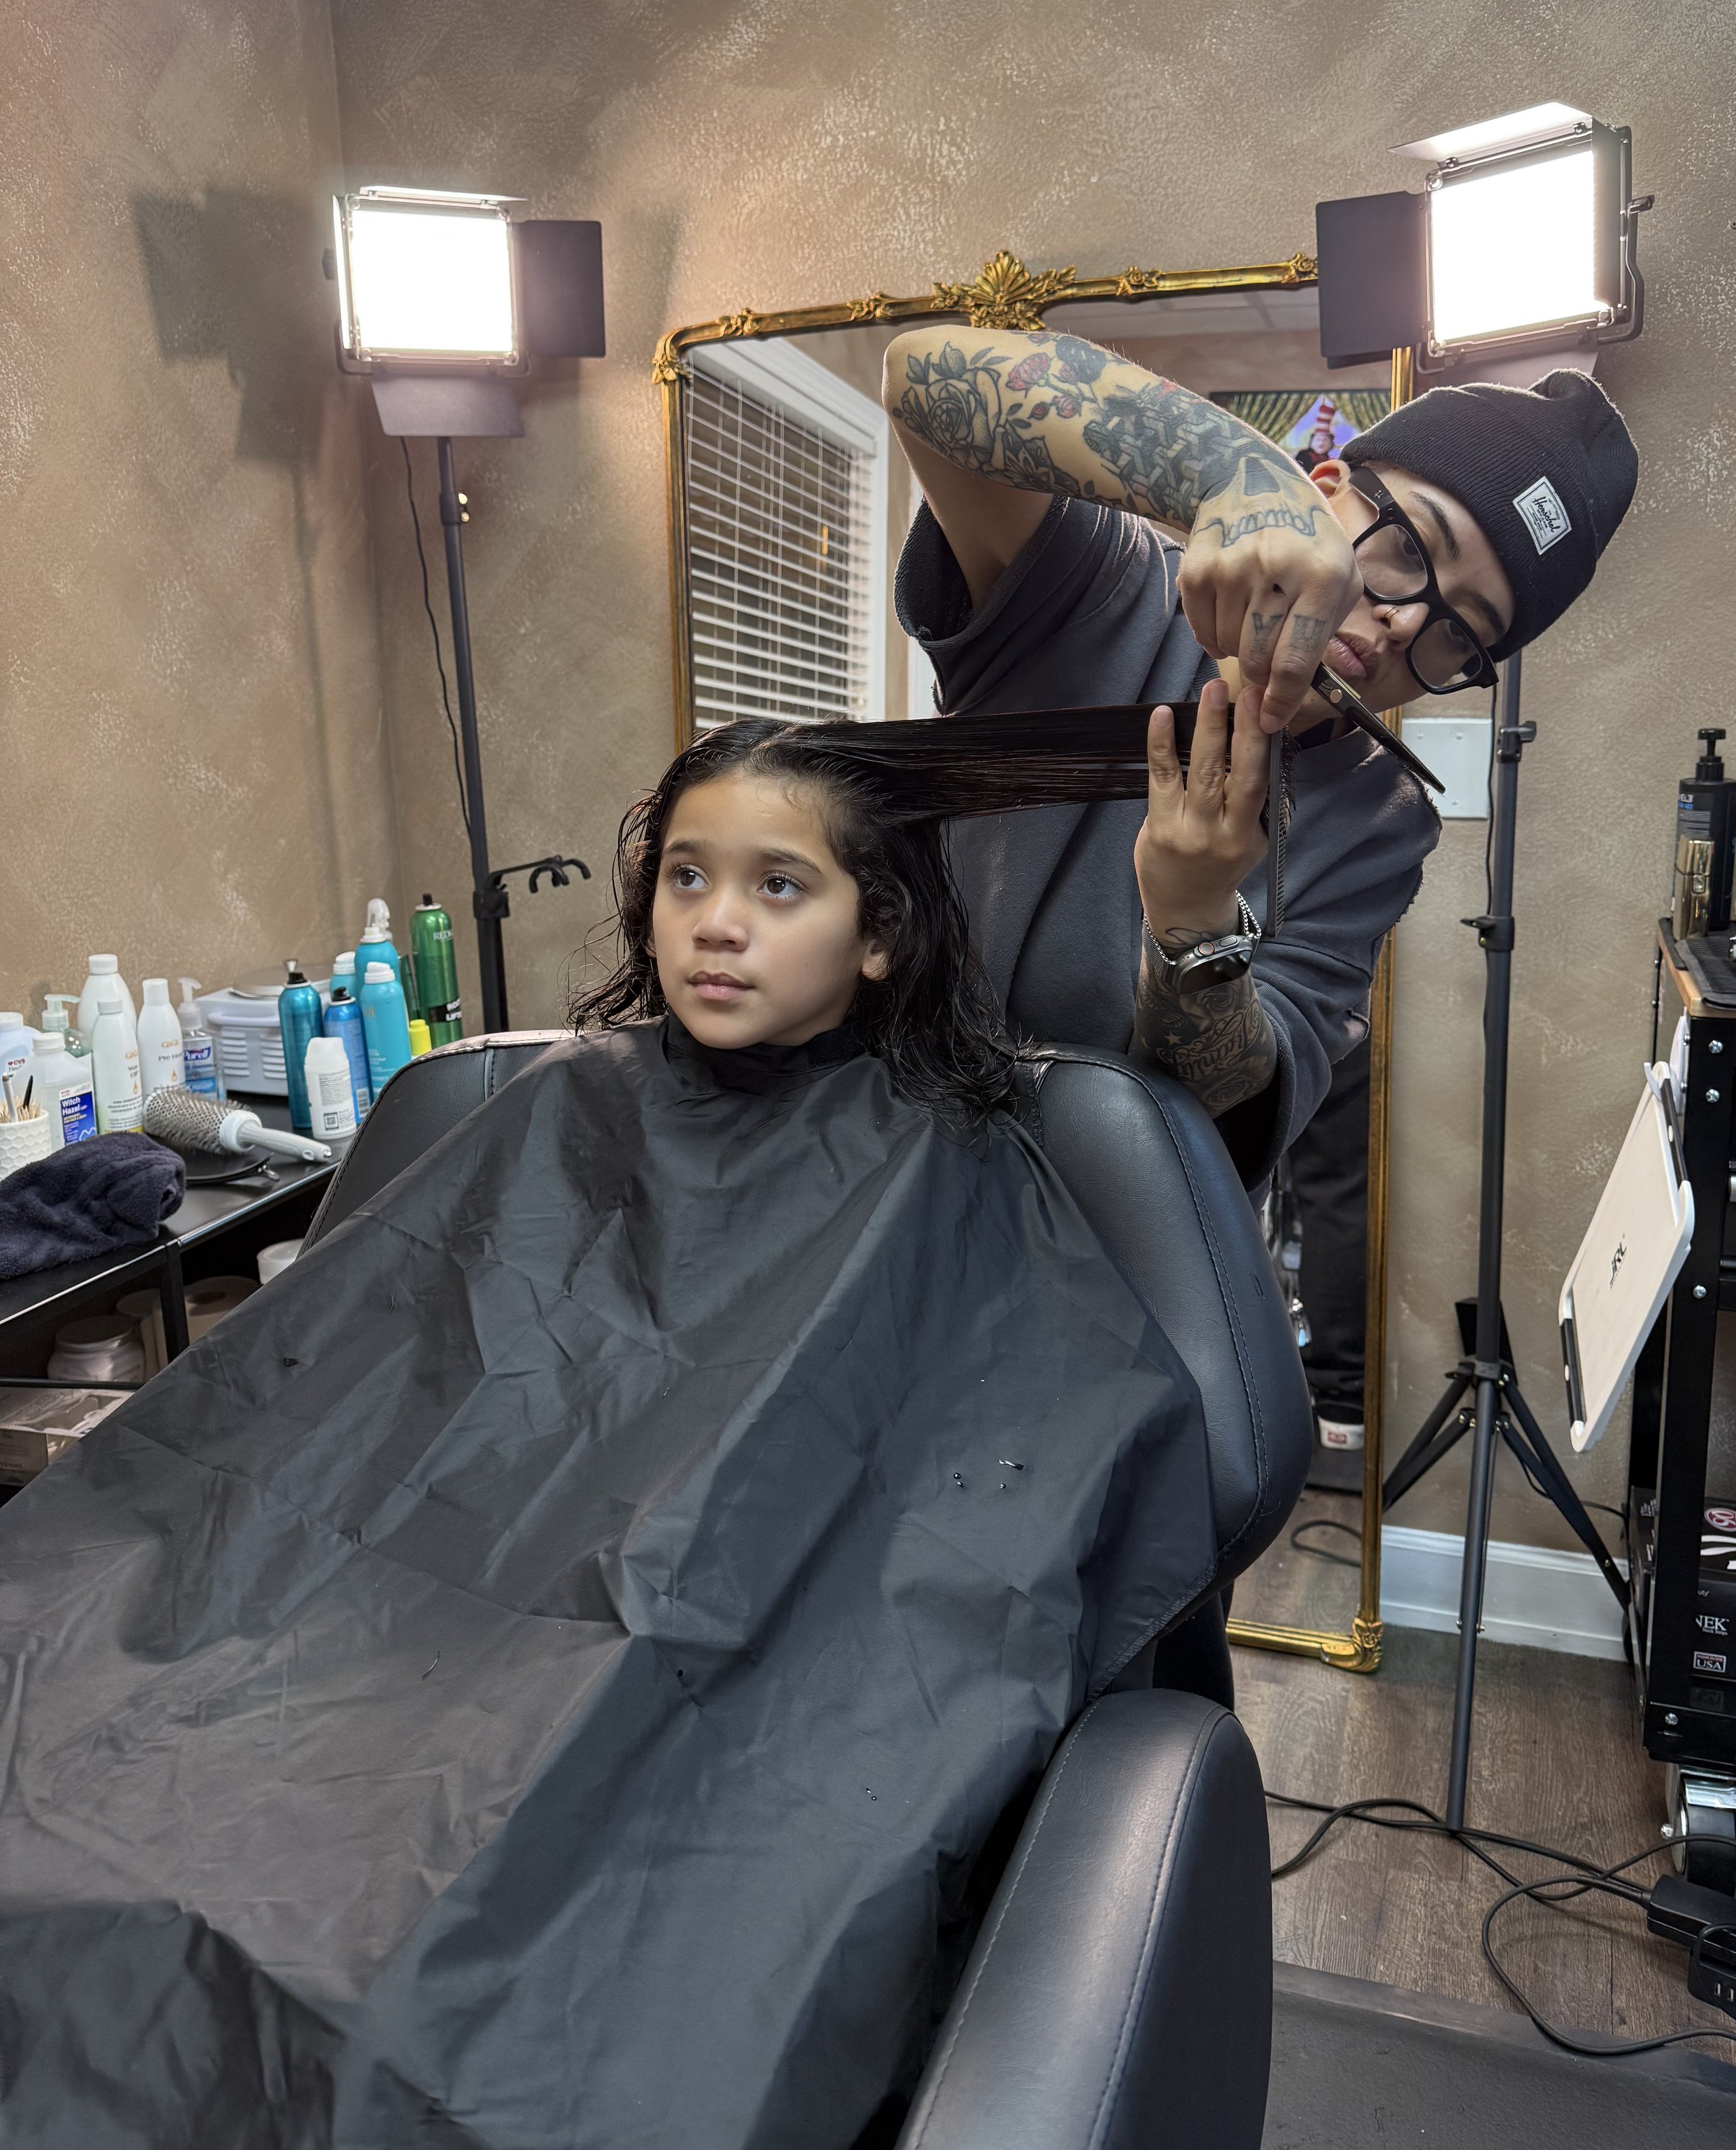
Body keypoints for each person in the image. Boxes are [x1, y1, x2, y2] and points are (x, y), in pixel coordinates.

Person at [0, 711, 1229, 2150]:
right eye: (685, 876)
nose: (715, 922)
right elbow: (301, 1436)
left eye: (779, 886)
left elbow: (972, 1531)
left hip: (732, 1706)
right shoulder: (547, 1109)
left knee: (465, 2020)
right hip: (372, 1661)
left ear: (879, 931)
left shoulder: (951, 1170)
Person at [882, 328, 1640, 1216]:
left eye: (1460, 632)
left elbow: (1232, 1118)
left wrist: (1193, 924)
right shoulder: (1099, 584)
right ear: (1324, 498)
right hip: (895, 1192)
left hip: (1115, 1261)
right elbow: (921, 379)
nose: (1404, 625)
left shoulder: (1379, 819)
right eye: (1403, 547)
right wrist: (1233, 479)